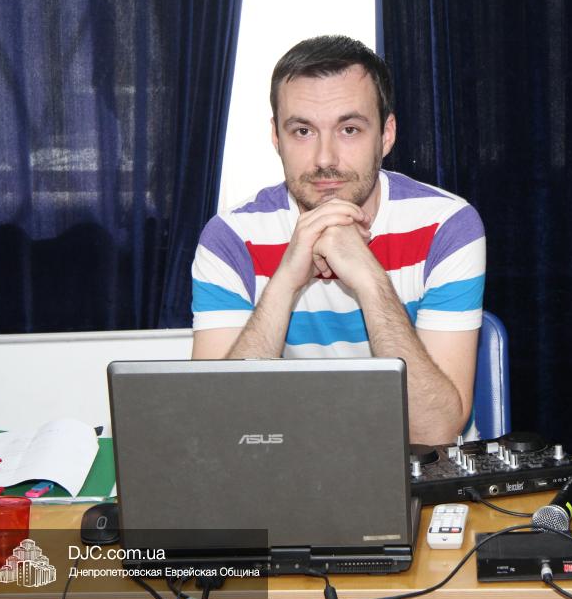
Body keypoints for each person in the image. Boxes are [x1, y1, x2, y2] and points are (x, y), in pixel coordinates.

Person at [190, 35, 485, 445]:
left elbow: (433, 431)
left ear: (386, 134)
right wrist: (285, 281)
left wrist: (369, 279)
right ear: (276, 137)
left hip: (419, 467)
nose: (325, 159)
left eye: (349, 129)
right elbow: (216, 426)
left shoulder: (446, 226)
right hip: (293, 462)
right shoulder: (230, 239)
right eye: (302, 131)